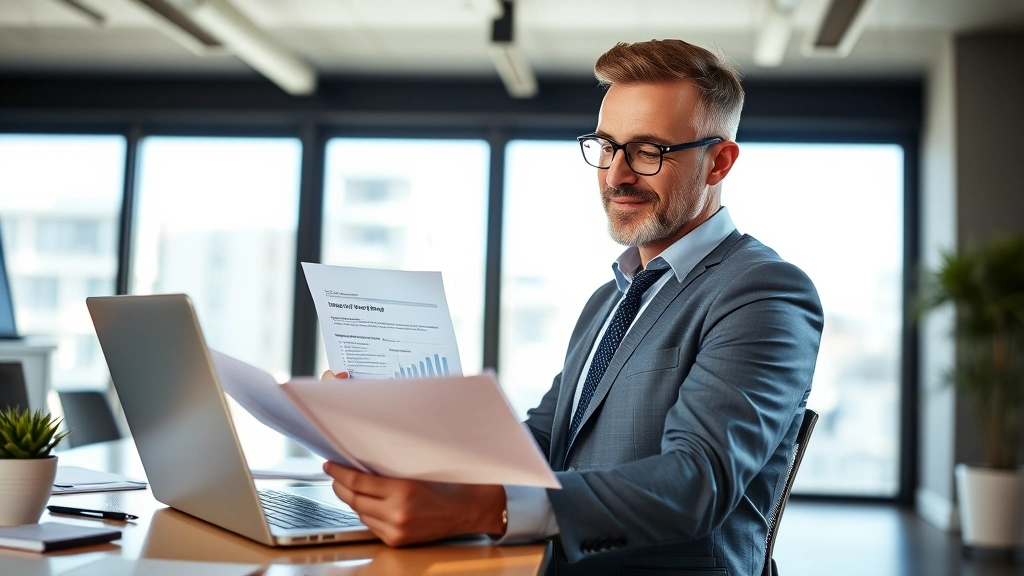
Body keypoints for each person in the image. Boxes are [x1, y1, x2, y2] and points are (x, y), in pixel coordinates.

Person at [321, 39, 823, 576]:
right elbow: (541, 442)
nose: (616, 174)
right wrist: (400, 425)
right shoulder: (610, 298)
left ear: (718, 162)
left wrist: (484, 506)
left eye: (648, 150)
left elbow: (696, 483)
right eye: (607, 146)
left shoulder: (763, 292)